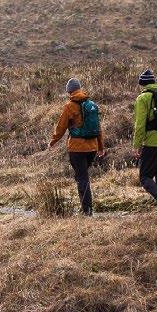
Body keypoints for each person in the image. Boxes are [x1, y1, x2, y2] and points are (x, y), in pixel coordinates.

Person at [49, 78, 105, 216]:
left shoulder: (69, 106)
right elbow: (98, 128)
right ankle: (87, 208)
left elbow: (61, 127)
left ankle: (87, 211)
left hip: (77, 148)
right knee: (83, 176)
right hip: (92, 147)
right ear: (79, 89)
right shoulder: (92, 105)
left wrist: (53, 141)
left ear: (69, 91)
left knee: (82, 178)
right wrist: (100, 147)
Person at [132, 69, 157, 214]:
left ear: (142, 84)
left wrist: (136, 146)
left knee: (145, 177)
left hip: (151, 143)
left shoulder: (143, 98)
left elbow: (140, 125)